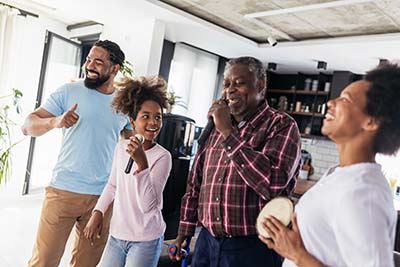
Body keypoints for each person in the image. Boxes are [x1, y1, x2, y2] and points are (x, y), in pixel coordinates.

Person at [259, 63, 400, 267]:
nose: (331, 102)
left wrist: (297, 255)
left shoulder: (363, 193)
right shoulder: (339, 175)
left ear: (371, 122)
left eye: (345, 99)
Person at [170, 56, 301, 267]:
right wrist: (184, 231)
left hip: (253, 248)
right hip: (206, 241)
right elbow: (196, 183)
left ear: (260, 85)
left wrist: (228, 133)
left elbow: (273, 182)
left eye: (239, 83)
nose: (230, 90)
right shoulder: (216, 126)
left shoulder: (281, 125)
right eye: (227, 84)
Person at [21, 40, 134, 267]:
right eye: (89, 60)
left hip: (102, 198)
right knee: (43, 262)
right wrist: (56, 121)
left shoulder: (123, 102)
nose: (90, 65)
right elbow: (28, 125)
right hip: (63, 191)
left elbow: (129, 139)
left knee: (86, 264)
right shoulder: (69, 91)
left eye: (98, 62)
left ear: (115, 68)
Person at [83, 76, 172, 267]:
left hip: (145, 239)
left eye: (158, 117)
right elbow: (113, 184)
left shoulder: (162, 157)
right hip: (117, 235)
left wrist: (142, 165)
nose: (153, 123)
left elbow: (149, 206)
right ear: (132, 121)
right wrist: (98, 211)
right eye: (146, 116)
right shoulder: (121, 147)